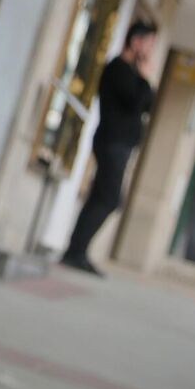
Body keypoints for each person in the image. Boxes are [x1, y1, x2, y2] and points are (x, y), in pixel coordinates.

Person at [61, 21, 159, 275]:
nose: (150, 50)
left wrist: (144, 79)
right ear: (136, 42)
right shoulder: (118, 69)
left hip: (120, 144)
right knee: (110, 198)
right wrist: (145, 78)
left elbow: (148, 105)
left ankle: (76, 250)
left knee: (100, 196)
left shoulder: (133, 73)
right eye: (149, 44)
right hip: (111, 142)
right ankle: (76, 251)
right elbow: (134, 103)